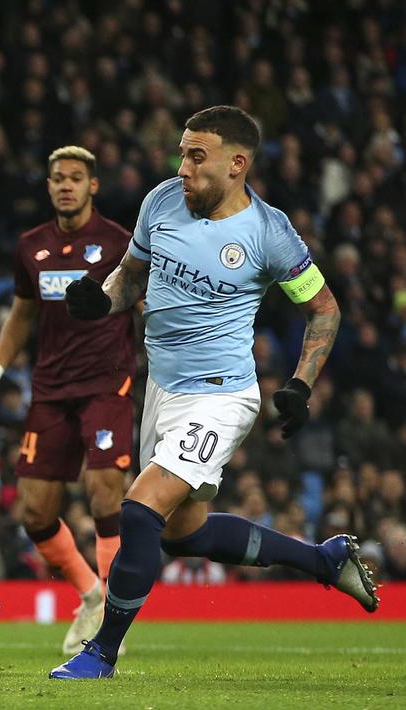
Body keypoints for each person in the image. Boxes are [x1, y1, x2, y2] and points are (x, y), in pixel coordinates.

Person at [51, 106, 379, 680]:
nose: (182, 166)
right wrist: (103, 299)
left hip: (221, 396)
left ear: (237, 164)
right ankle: (325, 560)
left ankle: (100, 653)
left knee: (140, 508)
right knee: (184, 533)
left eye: (195, 156)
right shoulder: (160, 202)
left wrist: (302, 384)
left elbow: (323, 310)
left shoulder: (269, 233)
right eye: (181, 152)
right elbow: (132, 275)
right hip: (162, 388)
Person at [0, 146, 134, 654]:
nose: (66, 185)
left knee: (106, 493)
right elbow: (21, 315)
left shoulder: (119, 242)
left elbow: (144, 305)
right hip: (50, 390)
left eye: (76, 178)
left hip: (108, 383)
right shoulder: (31, 246)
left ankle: (112, 616)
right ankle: (90, 596)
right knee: (35, 514)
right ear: (48, 186)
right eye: (58, 178)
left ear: (92, 186)